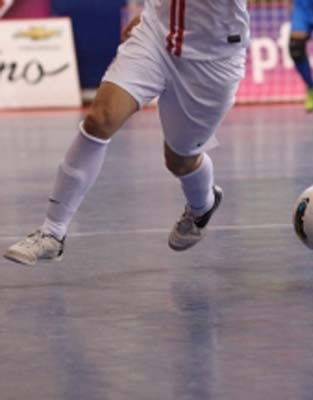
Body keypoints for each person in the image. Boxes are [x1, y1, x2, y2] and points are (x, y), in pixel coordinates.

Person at [4, 0, 249, 265]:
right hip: (155, 36)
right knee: (100, 120)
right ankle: (52, 232)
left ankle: (202, 206)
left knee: (180, 159)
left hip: (212, 58)